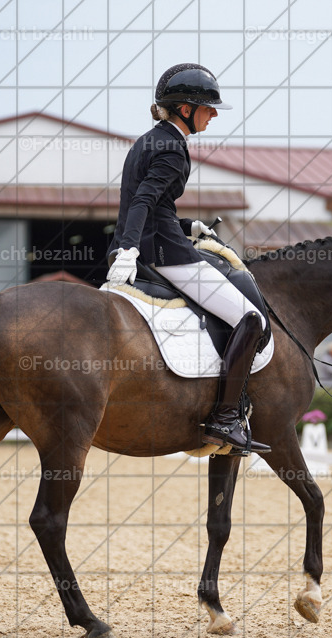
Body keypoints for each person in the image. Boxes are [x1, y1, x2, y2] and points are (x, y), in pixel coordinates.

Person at [105, 63, 268, 454]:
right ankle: (225, 417)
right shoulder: (173, 148)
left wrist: (188, 225)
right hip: (165, 255)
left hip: (155, 241)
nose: (213, 115)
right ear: (183, 109)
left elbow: (149, 203)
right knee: (252, 319)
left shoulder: (149, 139)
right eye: (207, 108)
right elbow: (142, 201)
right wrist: (130, 249)